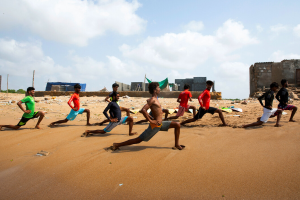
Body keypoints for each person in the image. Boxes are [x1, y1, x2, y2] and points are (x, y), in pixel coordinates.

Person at [105, 82, 185, 151]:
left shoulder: (155, 99)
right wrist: (150, 120)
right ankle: (117, 145)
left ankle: (177, 145)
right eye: (158, 88)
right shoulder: (153, 99)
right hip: (155, 126)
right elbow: (143, 110)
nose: (159, 89)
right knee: (138, 140)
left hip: (160, 124)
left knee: (177, 125)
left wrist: (152, 117)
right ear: (155, 90)